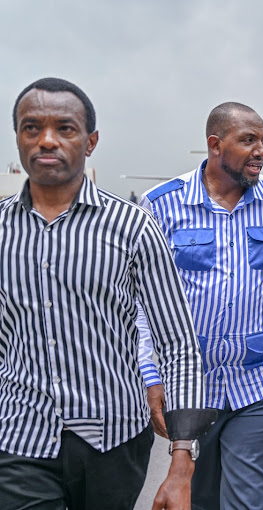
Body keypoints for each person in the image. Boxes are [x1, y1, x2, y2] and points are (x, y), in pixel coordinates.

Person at [0, 77, 214, 510]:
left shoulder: (133, 228)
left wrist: (181, 462)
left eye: (65, 128)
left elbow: (178, 344)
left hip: (113, 440)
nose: (46, 140)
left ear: (90, 141)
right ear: (18, 137)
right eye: (31, 127)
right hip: (19, 437)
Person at [138, 101, 263, 509]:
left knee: (248, 504)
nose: (261, 151)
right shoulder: (161, 205)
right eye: (248, 140)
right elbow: (141, 301)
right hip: (190, 388)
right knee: (199, 500)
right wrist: (149, 373)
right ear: (215, 145)